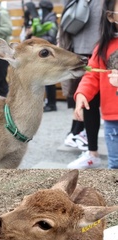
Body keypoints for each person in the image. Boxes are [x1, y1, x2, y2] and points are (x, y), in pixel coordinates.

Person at [75, 0, 118, 169]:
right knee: (114, 165)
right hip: (112, 120)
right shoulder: (103, 46)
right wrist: (82, 94)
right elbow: (92, 75)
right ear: (111, 16)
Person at [64, 0, 104, 168]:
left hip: (105, 43)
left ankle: (83, 140)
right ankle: (91, 151)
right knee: (88, 100)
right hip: (84, 47)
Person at [23, 1, 58, 111]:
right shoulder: (44, 20)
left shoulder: (51, 20)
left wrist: (35, 38)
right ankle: (47, 102)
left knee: (50, 80)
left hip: (49, 55)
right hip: (43, 55)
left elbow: (51, 38)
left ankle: (52, 104)